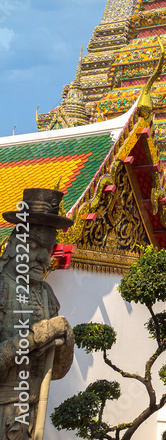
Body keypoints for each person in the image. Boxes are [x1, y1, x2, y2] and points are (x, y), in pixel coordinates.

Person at [0, 188, 74, 440]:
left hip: (31, 411)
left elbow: (57, 371)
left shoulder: (46, 294)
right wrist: (33, 338)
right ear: (12, 246)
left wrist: (65, 339)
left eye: (50, 248)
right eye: (34, 245)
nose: (44, 258)